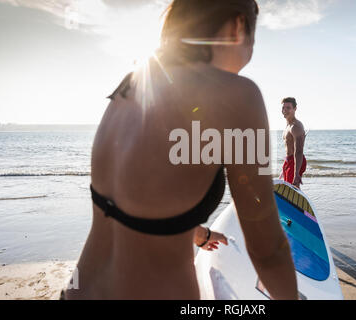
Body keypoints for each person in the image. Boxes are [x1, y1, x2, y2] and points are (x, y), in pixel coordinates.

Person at [64, 0, 297, 300]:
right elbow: (267, 249)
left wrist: (200, 235)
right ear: (238, 26)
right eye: (253, 38)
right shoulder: (238, 95)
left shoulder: (132, 84)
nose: (250, 53)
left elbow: (141, 201)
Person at [281, 97, 307, 188]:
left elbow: (299, 151)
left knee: (292, 188)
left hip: (295, 161)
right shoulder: (287, 126)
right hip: (288, 160)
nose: (285, 110)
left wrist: (296, 174)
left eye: (288, 108)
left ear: (295, 109)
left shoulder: (296, 126)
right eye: (283, 108)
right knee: (287, 190)